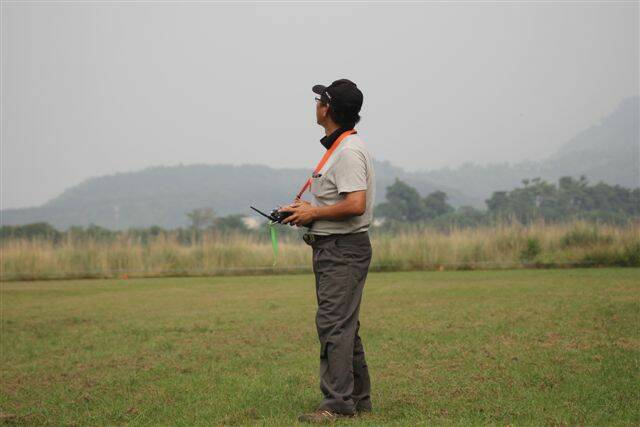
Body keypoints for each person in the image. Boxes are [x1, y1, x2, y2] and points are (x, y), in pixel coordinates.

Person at [279, 79, 376, 423]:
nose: (316, 103)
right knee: (343, 324)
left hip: (343, 250)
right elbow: (339, 200)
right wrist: (305, 211)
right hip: (334, 246)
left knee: (334, 324)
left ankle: (336, 404)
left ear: (328, 109)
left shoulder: (348, 151)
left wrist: (313, 213)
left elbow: (355, 204)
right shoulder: (340, 147)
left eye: (320, 99)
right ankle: (358, 399)